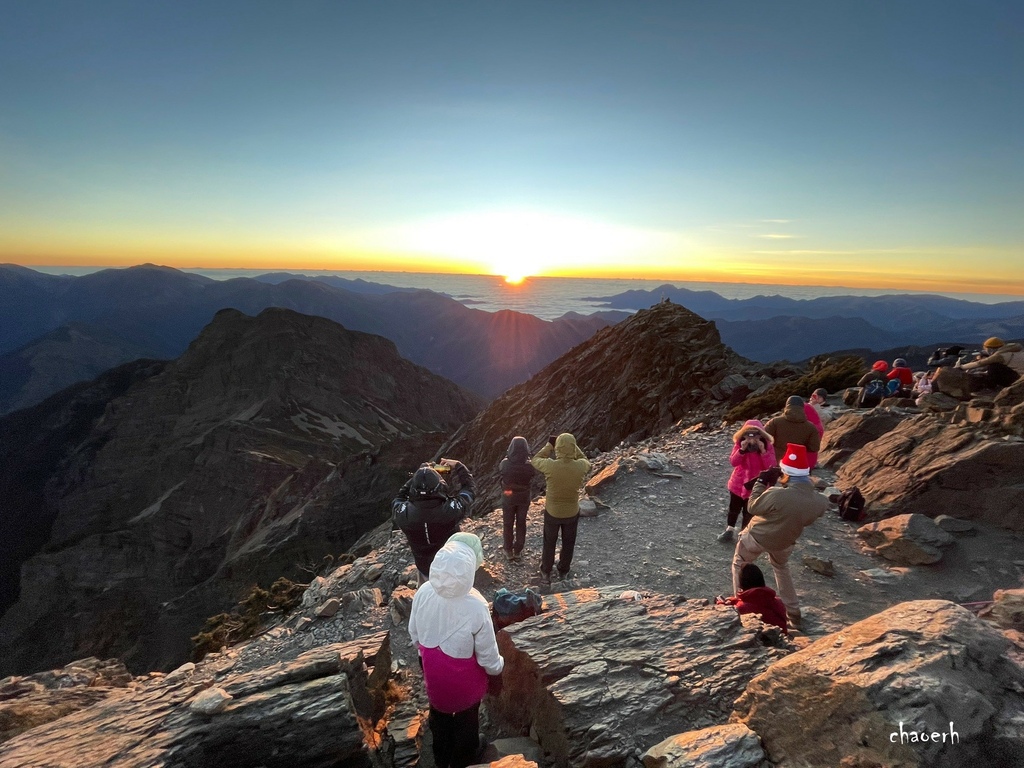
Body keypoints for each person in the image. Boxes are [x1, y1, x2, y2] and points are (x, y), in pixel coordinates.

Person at [408, 533, 504, 768]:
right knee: (467, 719)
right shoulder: (476, 605)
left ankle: (441, 755)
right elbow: (487, 653)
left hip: (434, 673)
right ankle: (466, 755)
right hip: (465, 680)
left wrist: (424, 657)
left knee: (439, 715)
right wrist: (496, 673)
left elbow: (414, 634)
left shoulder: (423, 592)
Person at [731, 443, 828, 630]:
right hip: (785, 541)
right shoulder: (820, 503)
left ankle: (742, 606)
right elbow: (805, 519)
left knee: (739, 564)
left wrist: (760, 483)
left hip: (758, 536)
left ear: (787, 473)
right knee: (781, 568)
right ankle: (794, 613)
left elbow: (752, 507)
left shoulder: (777, 494)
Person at [392, 458, 476, 580]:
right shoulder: (451, 510)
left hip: (425, 568)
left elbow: (399, 496)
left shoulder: (403, 513)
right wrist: (459, 466)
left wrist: (419, 475)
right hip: (449, 566)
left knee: (427, 594)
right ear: (440, 486)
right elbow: (469, 489)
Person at [531, 432, 591, 586]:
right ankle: (563, 570)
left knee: (549, 542)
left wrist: (549, 446)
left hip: (552, 512)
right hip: (571, 511)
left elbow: (535, 459)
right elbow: (586, 460)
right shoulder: (580, 466)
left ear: (557, 448)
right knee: (568, 542)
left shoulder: (551, 465)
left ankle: (546, 571)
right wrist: (573, 448)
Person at [718, 420, 775, 543]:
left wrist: (763, 451)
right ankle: (729, 529)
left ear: (761, 434)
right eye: (748, 433)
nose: (752, 437)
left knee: (748, 512)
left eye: (756, 434)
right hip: (738, 483)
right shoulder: (740, 444)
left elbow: (771, 466)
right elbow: (733, 462)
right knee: (733, 508)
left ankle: (743, 534)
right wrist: (742, 450)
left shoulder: (766, 445)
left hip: (755, 485)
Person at [716, 563, 788, 633]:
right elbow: (757, 602)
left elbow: (726, 621)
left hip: (762, 643)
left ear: (742, 583)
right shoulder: (778, 601)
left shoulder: (741, 608)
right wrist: (736, 601)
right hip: (780, 638)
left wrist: (722, 606)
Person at [498, 436, 537, 562]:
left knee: (508, 523)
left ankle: (508, 550)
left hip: (509, 496)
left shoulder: (505, 463)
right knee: (521, 522)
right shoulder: (530, 465)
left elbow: (501, 472)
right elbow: (532, 475)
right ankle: (518, 550)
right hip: (524, 497)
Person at [764, 396, 821, 469]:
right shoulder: (811, 427)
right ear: (802, 408)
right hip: (797, 463)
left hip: (776, 461)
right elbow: (814, 448)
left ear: (787, 406)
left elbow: (764, 439)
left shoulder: (775, 422)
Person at [959, 337, 1024, 391]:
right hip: (1020, 378)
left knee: (993, 366)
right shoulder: (1015, 351)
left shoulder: (1000, 355)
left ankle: (989, 388)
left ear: (990, 349)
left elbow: (980, 363)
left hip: (1019, 381)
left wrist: (961, 367)